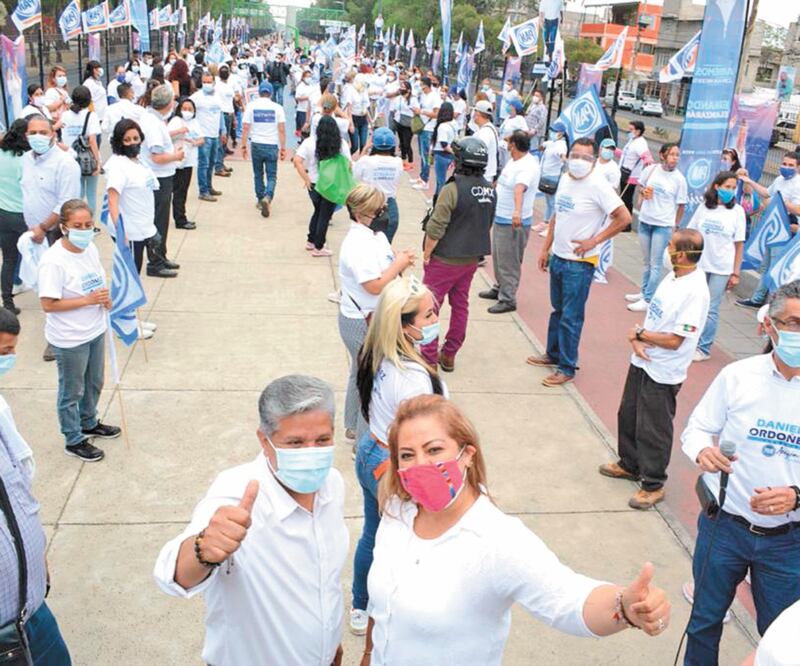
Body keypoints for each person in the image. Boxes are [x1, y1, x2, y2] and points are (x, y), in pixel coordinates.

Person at [361, 394, 672, 665]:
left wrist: (624, 607)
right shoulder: (398, 511)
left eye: (434, 450)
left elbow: (567, 598)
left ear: (467, 455)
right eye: (407, 455)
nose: (421, 464)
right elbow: (382, 605)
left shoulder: (497, 539)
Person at [153, 375, 348, 666]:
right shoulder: (235, 493)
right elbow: (173, 575)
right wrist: (203, 549)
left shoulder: (332, 483)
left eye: (322, 440)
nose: (311, 453)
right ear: (264, 441)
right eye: (294, 443)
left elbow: (324, 581)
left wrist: (329, 644)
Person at [680, 279, 800, 665]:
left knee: (783, 638)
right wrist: (703, 451)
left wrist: (797, 496)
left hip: (788, 541)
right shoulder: (738, 376)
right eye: (795, 323)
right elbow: (696, 428)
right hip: (725, 527)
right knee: (703, 622)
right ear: (770, 326)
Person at [349, 277, 445, 635]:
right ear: (404, 325)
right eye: (428, 315)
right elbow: (424, 437)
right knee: (401, 542)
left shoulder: (376, 352)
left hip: (370, 452)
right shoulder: (413, 378)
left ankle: (360, 604)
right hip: (392, 467)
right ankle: (384, 607)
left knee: (372, 534)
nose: (435, 318)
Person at [599, 229, 710, 509]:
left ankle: (653, 483)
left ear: (682, 255)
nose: (666, 249)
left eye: (670, 246)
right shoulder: (673, 277)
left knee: (654, 427)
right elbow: (654, 318)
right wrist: (638, 338)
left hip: (664, 369)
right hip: (644, 359)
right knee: (629, 414)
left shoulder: (695, 291)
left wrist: (639, 336)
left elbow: (675, 340)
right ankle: (630, 463)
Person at [0, 308, 73, 664]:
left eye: (10, 352)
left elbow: (19, 492)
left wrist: (34, 550)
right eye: (3, 353)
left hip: (33, 609)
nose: (8, 361)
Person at [528, 137, 631, 386]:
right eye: (575, 155)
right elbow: (557, 217)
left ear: (594, 161)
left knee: (571, 317)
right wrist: (545, 248)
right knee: (558, 310)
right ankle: (552, 354)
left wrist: (595, 241)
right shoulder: (565, 179)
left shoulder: (598, 185)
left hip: (580, 263)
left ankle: (567, 366)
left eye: (585, 157)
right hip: (559, 258)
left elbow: (624, 218)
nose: (578, 161)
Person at [37, 199, 121, 462]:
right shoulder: (53, 261)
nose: (84, 230)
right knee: (72, 390)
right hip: (69, 338)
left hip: (94, 328)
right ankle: (73, 438)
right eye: (77, 225)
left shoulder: (90, 249)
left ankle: (89, 421)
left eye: (88, 225)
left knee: (94, 381)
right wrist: (87, 301)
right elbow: (48, 304)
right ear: (64, 227)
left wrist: (104, 299)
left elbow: (95, 283)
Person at [337, 184, 415, 440]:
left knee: (359, 375)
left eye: (383, 208)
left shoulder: (375, 235)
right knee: (369, 382)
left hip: (374, 316)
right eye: (377, 210)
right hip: (362, 321)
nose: (383, 214)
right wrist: (399, 264)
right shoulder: (356, 244)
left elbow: (387, 258)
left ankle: (352, 425)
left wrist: (399, 258)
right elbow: (373, 285)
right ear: (360, 214)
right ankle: (363, 440)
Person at [421, 137, 495, 372]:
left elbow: (435, 227)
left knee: (429, 307)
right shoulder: (489, 190)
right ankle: (450, 353)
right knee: (460, 305)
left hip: (444, 259)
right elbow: (487, 223)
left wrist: (426, 254)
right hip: (470, 259)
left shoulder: (452, 189)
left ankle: (429, 357)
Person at [21, 115, 81, 360]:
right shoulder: (26, 160)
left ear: (53, 134)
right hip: (34, 236)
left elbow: (65, 205)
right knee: (45, 288)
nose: (37, 137)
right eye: (32, 132)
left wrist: (43, 228)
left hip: (55, 234)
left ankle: (58, 341)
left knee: (59, 290)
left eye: (43, 132)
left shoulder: (65, 164)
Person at [105, 118, 168, 299]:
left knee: (135, 274)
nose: (133, 143)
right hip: (130, 232)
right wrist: (120, 230)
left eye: (136, 138)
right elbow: (112, 200)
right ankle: (129, 320)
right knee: (130, 278)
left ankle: (132, 316)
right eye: (127, 140)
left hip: (142, 227)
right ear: (119, 142)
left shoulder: (139, 161)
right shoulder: (119, 166)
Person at [687, 171, 746, 362]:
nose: (730, 191)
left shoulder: (737, 212)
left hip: (721, 268)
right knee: (695, 303)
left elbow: (739, 244)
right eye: (727, 187)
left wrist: (735, 273)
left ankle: (703, 348)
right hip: (700, 264)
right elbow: (692, 232)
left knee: (711, 308)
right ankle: (689, 340)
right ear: (716, 186)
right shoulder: (704, 208)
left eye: (733, 187)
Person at [479, 131, 540, 315]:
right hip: (501, 217)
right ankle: (499, 287)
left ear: (514, 145)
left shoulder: (527, 166)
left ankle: (508, 298)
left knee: (509, 261)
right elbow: (504, 181)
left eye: (509, 143)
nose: (507, 146)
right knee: (499, 256)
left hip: (512, 221)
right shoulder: (514, 160)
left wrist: (516, 212)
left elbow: (519, 190)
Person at [625, 142, 688, 313]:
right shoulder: (651, 170)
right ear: (662, 155)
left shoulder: (679, 179)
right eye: (672, 154)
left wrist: (675, 226)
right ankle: (644, 291)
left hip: (663, 225)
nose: (675, 158)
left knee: (656, 263)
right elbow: (641, 187)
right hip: (646, 221)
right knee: (646, 261)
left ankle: (648, 298)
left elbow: (681, 205)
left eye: (677, 155)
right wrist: (644, 193)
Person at [736, 152, 800, 308]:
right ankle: (758, 299)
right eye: (784, 163)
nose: (786, 167)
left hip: (787, 230)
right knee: (766, 266)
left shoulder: (798, 184)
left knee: (777, 269)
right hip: (774, 227)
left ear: (798, 167)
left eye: (791, 165)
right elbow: (766, 193)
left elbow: (798, 209)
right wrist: (748, 180)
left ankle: (775, 306)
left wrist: (783, 204)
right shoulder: (779, 180)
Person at [138, 84, 185, 278]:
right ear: (167, 103)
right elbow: (156, 156)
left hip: (161, 176)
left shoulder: (154, 120)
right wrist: (176, 156)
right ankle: (155, 262)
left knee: (162, 220)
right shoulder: (152, 123)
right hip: (158, 177)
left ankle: (161, 256)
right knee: (158, 220)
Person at [293, 115, 351, 257]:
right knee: (325, 215)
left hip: (313, 184)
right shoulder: (340, 143)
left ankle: (311, 240)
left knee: (318, 211)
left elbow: (297, 160)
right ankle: (319, 247)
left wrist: (306, 179)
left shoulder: (309, 142)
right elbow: (349, 164)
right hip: (330, 185)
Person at [241, 81, 287, 219]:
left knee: (258, 173)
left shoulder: (251, 106)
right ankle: (268, 196)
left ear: (259, 92)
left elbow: (245, 128)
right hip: (272, 144)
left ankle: (260, 199)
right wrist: (283, 148)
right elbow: (282, 129)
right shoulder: (277, 108)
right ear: (271, 93)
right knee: (272, 175)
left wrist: (243, 146)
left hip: (256, 144)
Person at [352, 128, 404, 242]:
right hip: (389, 205)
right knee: (385, 245)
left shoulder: (366, 161)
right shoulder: (398, 162)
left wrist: (365, 148)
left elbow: (355, 176)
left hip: (369, 203)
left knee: (366, 242)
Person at [0, 120, 29, 314]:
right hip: (24, 215)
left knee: (9, 259)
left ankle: (7, 302)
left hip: (3, 213)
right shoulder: (27, 159)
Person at [60, 86, 102, 219]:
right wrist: (98, 162)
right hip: (88, 159)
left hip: (70, 158)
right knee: (91, 193)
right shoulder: (91, 116)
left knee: (77, 193)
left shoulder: (65, 115)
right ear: (89, 100)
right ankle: (90, 223)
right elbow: (92, 140)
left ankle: (75, 220)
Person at [168, 97, 203, 232]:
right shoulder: (176, 121)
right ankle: (179, 219)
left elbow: (201, 139)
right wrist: (180, 131)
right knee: (176, 190)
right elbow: (167, 134)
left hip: (188, 161)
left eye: (190, 109)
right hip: (176, 160)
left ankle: (181, 217)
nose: (187, 111)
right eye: (184, 109)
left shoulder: (195, 122)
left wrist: (194, 142)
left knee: (182, 190)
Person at [190, 72, 225, 203]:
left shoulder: (217, 96)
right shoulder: (196, 97)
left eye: (209, 82)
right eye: (205, 82)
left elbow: (220, 113)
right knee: (203, 164)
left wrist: (223, 130)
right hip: (204, 135)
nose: (207, 84)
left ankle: (209, 187)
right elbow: (188, 111)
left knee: (211, 163)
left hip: (215, 134)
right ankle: (203, 191)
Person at [536, 126, 567, 234]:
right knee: (549, 202)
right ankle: (545, 222)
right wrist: (542, 146)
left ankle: (551, 227)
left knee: (553, 202)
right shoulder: (552, 142)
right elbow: (543, 145)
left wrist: (564, 159)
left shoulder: (561, 145)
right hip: (546, 175)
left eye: (555, 131)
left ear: (561, 133)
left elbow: (562, 154)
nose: (552, 132)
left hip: (553, 176)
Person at [411, 77, 441, 192]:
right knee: (422, 153)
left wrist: (421, 112)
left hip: (429, 128)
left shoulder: (435, 97)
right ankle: (421, 176)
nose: (420, 87)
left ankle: (425, 180)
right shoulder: (423, 96)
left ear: (426, 85)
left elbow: (436, 113)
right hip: (422, 126)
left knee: (426, 154)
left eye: (422, 85)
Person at [619, 120, 651, 219]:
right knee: (624, 198)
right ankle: (624, 220)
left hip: (631, 176)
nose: (628, 132)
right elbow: (626, 155)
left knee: (626, 199)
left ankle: (626, 222)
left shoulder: (640, 143)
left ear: (638, 131)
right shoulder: (633, 141)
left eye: (631, 130)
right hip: (624, 172)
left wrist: (647, 176)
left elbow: (648, 160)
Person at [430, 102, 458, 198]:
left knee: (440, 181)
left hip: (441, 155)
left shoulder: (442, 126)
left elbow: (443, 144)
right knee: (441, 180)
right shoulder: (454, 124)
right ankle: (436, 197)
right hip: (449, 156)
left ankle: (439, 199)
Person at [214, 65, 236, 178]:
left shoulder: (220, 87)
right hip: (223, 114)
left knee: (223, 140)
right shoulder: (226, 87)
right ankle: (218, 166)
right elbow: (233, 102)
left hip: (226, 114)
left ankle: (220, 163)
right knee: (222, 140)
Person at [342, 71, 371, 158]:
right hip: (353, 119)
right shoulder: (350, 90)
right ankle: (346, 160)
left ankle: (361, 164)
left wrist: (371, 121)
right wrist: (351, 124)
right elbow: (349, 110)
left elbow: (366, 107)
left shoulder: (364, 91)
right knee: (354, 146)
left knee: (363, 144)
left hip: (363, 119)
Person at [472, 100, 500, 185]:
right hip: (485, 174)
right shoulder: (489, 128)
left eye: (475, 111)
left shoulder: (485, 132)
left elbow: (479, 153)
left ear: (478, 114)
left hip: (482, 175)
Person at [393, 81, 416, 170]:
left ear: (409, 90)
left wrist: (408, 102)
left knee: (407, 143)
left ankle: (411, 161)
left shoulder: (413, 99)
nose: (401, 88)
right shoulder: (398, 98)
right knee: (402, 143)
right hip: (399, 122)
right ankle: (403, 161)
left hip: (409, 124)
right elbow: (395, 109)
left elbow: (415, 109)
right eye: (401, 86)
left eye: (403, 87)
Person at [81, 60, 108, 126]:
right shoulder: (89, 83)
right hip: (96, 118)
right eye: (96, 69)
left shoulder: (98, 82)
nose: (99, 70)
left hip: (102, 116)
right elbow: (88, 101)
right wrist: (92, 116)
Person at [294, 69, 315, 138]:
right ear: (303, 77)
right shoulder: (300, 86)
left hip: (310, 111)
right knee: (303, 129)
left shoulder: (312, 86)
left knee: (310, 129)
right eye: (307, 77)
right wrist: (307, 98)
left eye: (310, 77)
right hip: (302, 110)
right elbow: (297, 97)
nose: (309, 78)